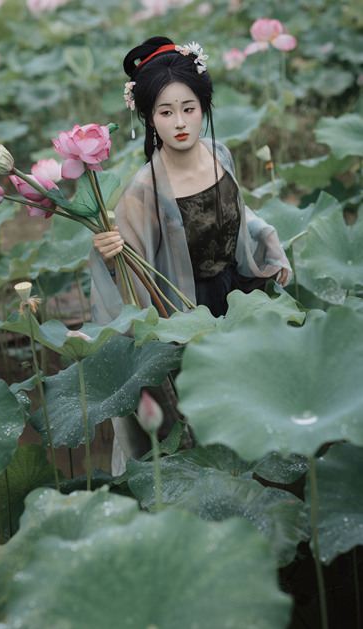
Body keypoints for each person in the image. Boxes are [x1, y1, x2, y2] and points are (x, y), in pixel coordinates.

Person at [90, 36, 292, 473]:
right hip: (184, 316)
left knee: (251, 409)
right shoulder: (143, 191)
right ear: (148, 118)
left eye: (189, 108)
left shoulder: (220, 154)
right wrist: (110, 257)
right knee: (202, 431)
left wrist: (268, 243)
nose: (180, 122)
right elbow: (131, 277)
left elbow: (240, 215)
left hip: (237, 298)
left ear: (204, 107)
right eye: (166, 112)